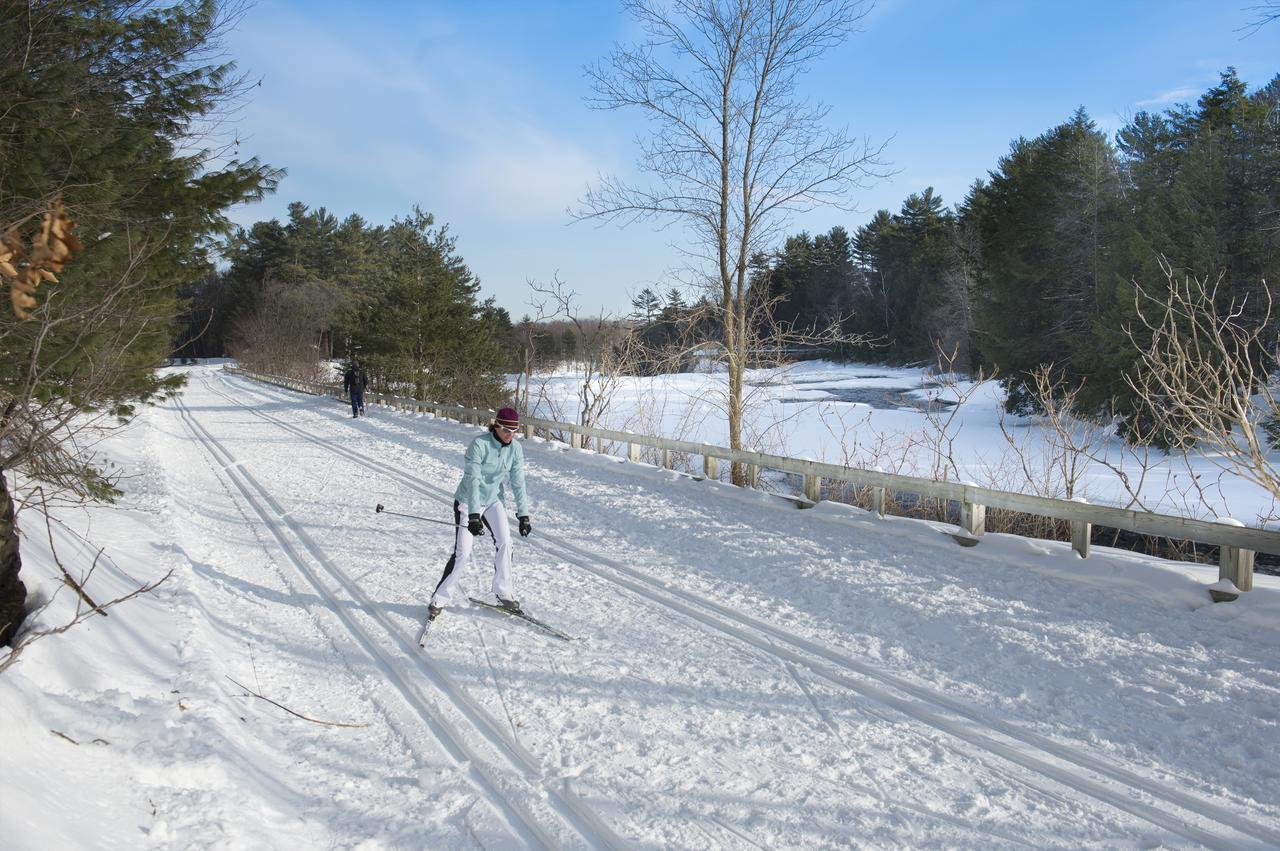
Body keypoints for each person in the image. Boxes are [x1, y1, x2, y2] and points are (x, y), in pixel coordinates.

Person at [428, 407, 532, 621]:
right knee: (463, 553)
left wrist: (524, 514)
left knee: (505, 542)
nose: (510, 435)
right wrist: (474, 515)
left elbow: (518, 481)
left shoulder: (515, 449)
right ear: (495, 426)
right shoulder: (479, 445)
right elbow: (474, 481)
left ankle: (503, 591)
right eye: (506, 430)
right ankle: (439, 598)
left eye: (514, 431)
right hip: (468, 502)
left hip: (494, 500)